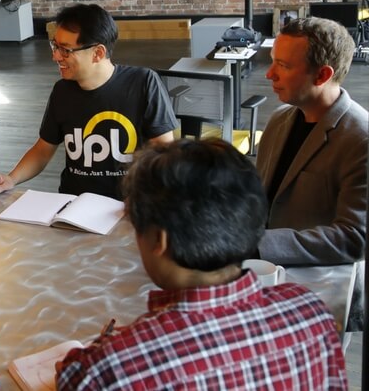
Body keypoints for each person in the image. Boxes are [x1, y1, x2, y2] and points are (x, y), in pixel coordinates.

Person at [54, 138, 347, 390]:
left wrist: (103, 349)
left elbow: (72, 375)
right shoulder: (311, 312)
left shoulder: (113, 368)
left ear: (160, 239)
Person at [0, 4, 175, 199]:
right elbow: (43, 150)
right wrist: (11, 178)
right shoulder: (62, 91)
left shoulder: (143, 83)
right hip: (73, 203)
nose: (55, 56)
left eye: (65, 50)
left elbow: (163, 153)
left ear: (98, 53)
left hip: (126, 205)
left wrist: (146, 202)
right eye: (55, 46)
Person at [258, 17, 368, 265]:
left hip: (323, 288)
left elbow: (354, 237)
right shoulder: (278, 120)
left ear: (322, 75)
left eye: (282, 65)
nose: (269, 74)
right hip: (269, 275)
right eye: (272, 61)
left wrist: (256, 245)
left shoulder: (362, 140)